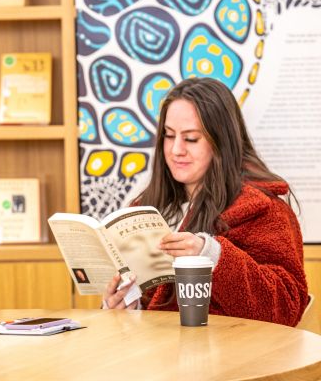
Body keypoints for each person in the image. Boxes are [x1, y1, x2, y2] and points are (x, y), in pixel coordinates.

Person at [102, 77, 308, 327]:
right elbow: (147, 313)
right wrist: (125, 308)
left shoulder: (265, 210)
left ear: (221, 142)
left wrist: (211, 256)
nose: (176, 149)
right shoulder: (143, 209)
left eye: (190, 138)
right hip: (155, 358)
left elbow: (286, 309)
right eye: (168, 136)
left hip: (230, 360)